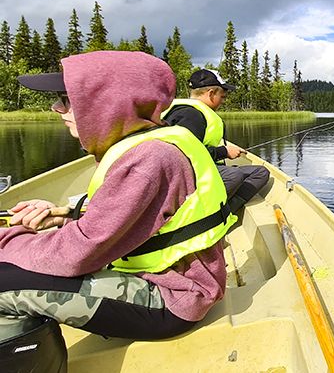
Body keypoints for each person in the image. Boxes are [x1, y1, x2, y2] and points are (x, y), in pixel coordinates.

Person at [0, 51, 235, 342]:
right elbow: (121, 221)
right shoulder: (145, 147)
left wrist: (8, 239)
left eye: (66, 99)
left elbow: (79, 252)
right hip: (163, 280)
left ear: (107, 103)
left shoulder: (149, 159)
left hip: (173, 296)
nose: (56, 108)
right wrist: (62, 215)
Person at [161, 69, 270, 213]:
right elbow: (183, 155)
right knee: (234, 175)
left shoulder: (189, 111)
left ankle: (225, 211)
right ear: (211, 93)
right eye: (222, 97)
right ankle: (209, 216)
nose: (223, 101)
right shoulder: (192, 116)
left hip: (199, 174)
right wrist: (223, 151)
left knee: (260, 172)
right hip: (184, 180)